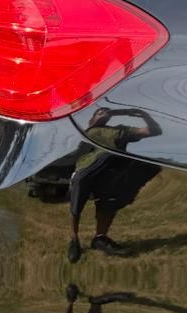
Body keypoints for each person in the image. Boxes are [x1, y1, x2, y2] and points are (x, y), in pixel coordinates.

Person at [67, 107, 162, 262]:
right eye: (99, 112)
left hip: (112, 170)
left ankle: (100, 239)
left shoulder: (120, 130)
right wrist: (95, 121)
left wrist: (144, 115)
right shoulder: (89, 132)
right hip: (88, 168)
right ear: (91, 119)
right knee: (76, 205)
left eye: (107, 112)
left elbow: (154, 131)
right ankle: (74, 240)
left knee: (108, 204)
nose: (104, 113)